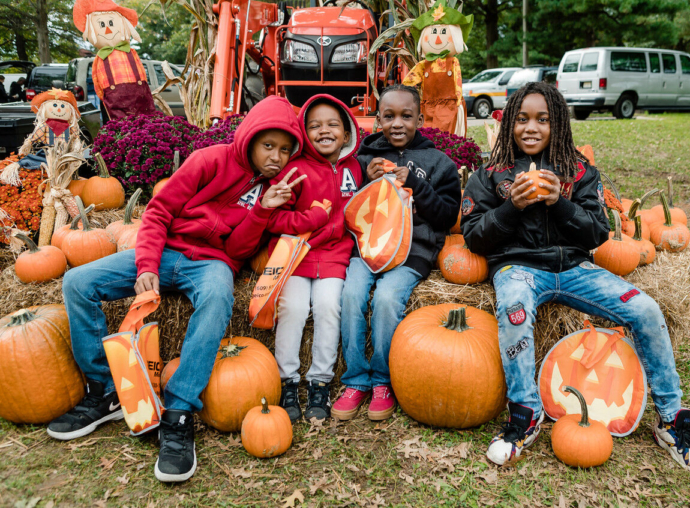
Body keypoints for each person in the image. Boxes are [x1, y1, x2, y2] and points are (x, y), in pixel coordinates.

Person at [47, 96, 306, 483]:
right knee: (77, 281)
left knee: (219, 296)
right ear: (250, 138)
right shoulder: (209, 160)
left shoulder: (272, 189)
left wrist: (263, 209)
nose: (277, 157)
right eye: (269, 145)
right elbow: (158, 213)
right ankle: (105, 390)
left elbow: (237, 252)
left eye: (286, 150)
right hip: (166, 250)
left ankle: (180, 410)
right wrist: (147, 264)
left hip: (212, 264)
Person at [461, 82, 690, 474]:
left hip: (574, 269)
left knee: (644, 308)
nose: (531, 127)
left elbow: (597, 233)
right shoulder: (490, 174)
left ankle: (671, 419)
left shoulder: (578, 170)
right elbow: (474, 237)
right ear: (508, 122)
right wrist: (513, 206)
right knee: (512, 309)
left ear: (557, 124)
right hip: (518, 268)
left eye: (542, 120)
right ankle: (524, 415)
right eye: (522, 119)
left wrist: (557, 201)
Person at [331, 84, 462, 421]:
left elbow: (447, 216)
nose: (398, 123)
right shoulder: (362, 159)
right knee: (351, 294)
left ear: (420, 117)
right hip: (367, 248)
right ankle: (355, 379)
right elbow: (344, 209)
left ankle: (382, 380)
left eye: (406, 115)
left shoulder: (439, 164)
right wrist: (364, 184)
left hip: (413, 251)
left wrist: (416, 185)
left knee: (388, 299)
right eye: (389, 116)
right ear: (378, 119)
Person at [267, 95, 363, 423]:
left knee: (328, 307)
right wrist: (307, 219)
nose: (324, 130)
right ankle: (288, 380)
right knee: (291, 308)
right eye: (314, 126)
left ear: (347, 132)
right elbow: (275, 218)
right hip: (298, 254)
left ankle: (320, 381)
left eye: (333, 124)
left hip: (336, 256)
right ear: (304, 133)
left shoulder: (354, 168)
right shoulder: (296, 170)